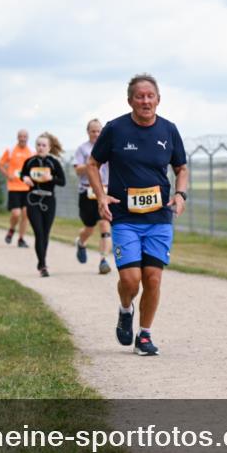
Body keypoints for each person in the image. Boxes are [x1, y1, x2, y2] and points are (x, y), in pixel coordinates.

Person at [86, 73, 188, 357]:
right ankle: (125, 309)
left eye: (150, 96)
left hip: (158, 218)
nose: (145, 101)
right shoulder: (115, 129)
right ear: (130, 100)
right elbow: (93, 163)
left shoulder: (168, 130)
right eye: (139, 96)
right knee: (131, 280)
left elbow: (181, 168)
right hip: (125, 217)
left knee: (153, 278)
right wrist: (101, 195)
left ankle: (144, 335)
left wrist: (180, 194)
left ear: (158, 99)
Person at [20, 133, 67, 277]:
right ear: (35, 146)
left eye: (44, 145)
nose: (41, 147)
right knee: (39, 232)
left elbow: (62, 181)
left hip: (49, 200)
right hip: (33, 199)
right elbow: (22, 174)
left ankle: (42, 261)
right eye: (38, 145)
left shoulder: (54, 163)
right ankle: (42, 265)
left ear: (49, 147)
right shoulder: (29, 162)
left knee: (45, 233)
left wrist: (51, 178)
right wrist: (25, 178)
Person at [73, 118, 112, 275]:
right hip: (87, 192)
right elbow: (77, 170)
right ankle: (81, 242)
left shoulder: (108, 147)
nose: (96, 134)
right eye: (93, 131)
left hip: (105, 191)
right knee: (89, 227)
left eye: (98, 131)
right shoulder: (82, 149)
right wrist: (92, 164)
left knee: (105, 224)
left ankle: (104, 260)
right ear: (88, 132)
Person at [0, 129, 34, 248]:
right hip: (14, 187)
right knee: (16, 213)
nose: (22, 138)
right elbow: (1, 164)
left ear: (27, 138)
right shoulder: (10, 150)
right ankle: (11, 229)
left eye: (25, 136)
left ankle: (21, 239)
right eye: (21, 136)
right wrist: (7, 175)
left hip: (27, 187)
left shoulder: (32, 151)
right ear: (17, 137)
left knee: (25, 214)